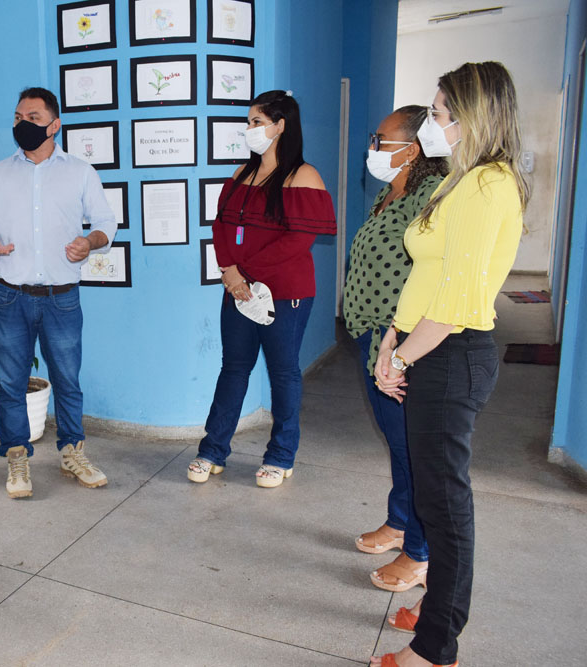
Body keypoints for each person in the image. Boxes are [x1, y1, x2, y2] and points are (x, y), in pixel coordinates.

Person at [371, 62, 527, 667]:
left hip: (449, 354)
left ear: (470, 118)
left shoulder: (489, 186)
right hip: (422, 345)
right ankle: (437, 605)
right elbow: (426, 275)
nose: (429, 123)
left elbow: (460, 299)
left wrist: (403, 356)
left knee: (444, 504)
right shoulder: (458, 181)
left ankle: (436, 647)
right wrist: (391, 340)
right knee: (435, 500)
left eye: (436, 114)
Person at [0, 86, 117, 499]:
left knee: (68, 379)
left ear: (55, 124)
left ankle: (72, 452)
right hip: (11, 296)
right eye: (17, 117)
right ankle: (17, 457)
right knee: (11, 382)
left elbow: (106, 222)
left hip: (63, 296)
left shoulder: (80, 172)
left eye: (32, 117)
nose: (22, 124)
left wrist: (91, 241)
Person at [189, 90, 336, 488]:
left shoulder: (304, 176)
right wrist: (230, 271)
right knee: (233, 369)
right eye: (249, 121)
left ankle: (281, 455)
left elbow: (297, 240)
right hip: (237, 289)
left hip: (285, 293)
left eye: (257, 121)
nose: (249, 129)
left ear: (280, 125)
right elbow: (220, 225)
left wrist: (244, 273)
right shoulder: (241, 174)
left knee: (283, 372)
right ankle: (212, 450)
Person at [344, 106, 449, 593]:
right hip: (375, 337)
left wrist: (397, 340)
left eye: (381, 140)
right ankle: (400, 520)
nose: (373, 148)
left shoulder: (431, 196)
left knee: (412, 448)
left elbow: (430, 272)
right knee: (396, 440)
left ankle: (420, 552)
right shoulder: (390, 193)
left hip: (407, 340)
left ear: (412, 148)